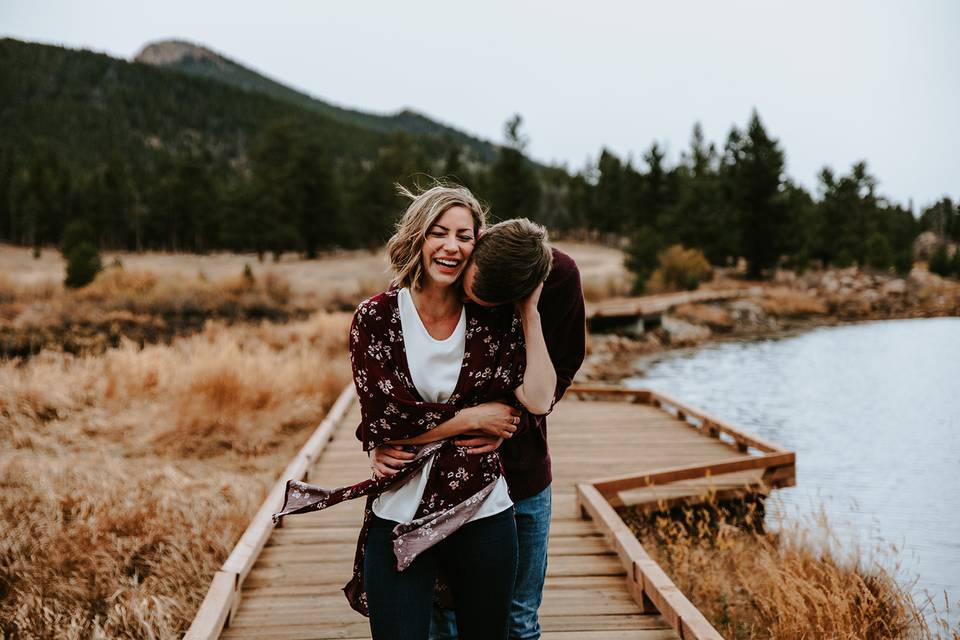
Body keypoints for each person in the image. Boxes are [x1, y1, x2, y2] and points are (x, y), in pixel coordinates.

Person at [273, 184, 557, 640]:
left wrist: (528, 310)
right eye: (438, 233)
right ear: (417, 238)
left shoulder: (492, 316)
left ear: (477, 244)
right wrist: (471, 418)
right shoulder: (376, 317)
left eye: (465, 236)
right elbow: (386, 419)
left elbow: (539, 399)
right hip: (399, 508)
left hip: (482, 508)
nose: (451, 246)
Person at [372, 219, 586, 640]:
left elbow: (559, 375)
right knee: (441, 620)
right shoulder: (450, 264)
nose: (474, 305)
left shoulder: (559, 279)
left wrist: (508, 421)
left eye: (488, 303)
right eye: (470, 295)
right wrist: (382, 441)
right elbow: (397, 383)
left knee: (519, 619)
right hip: (440, 484)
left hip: (520, 475)